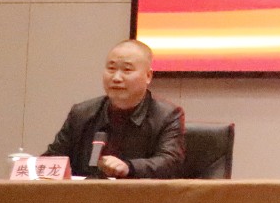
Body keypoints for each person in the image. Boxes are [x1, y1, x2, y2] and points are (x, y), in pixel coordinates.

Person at [44, 39, 185, 178]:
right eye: (111, 69)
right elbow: (53, 158)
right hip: (85, 192)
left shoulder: (167, 115)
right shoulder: (82, 113)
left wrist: (129, 167)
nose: (116, 78)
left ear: (148, 76)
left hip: (138, 192)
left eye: (127, 70)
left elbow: (169, 162)